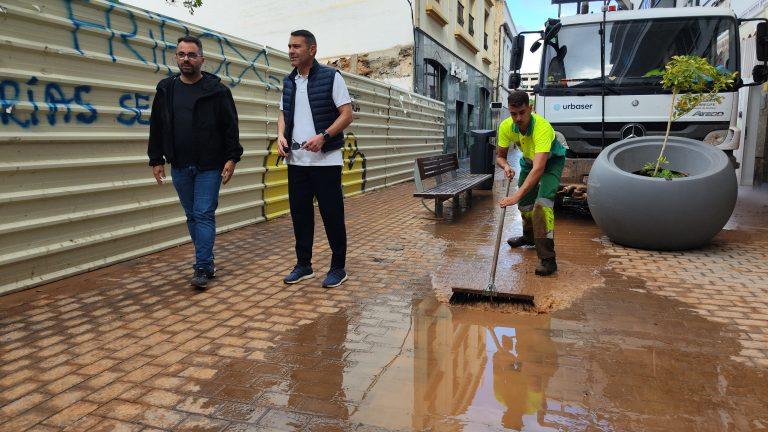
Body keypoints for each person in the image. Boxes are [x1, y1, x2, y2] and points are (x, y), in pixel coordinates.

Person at [147, 35, 242, 289]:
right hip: (179, 165)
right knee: (192, 215)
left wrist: (232, 157)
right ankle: (207, 261)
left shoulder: (218, 91)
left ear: (201, 58)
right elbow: (156, 126)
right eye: (181, 54)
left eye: (191, 54)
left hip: (209, 165)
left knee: (203, 214)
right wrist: (156, 159)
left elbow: (230, 127)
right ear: (176, 57)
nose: (186, 59)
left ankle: (201, 266)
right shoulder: (166, 89)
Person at [277, 30, 354, 288]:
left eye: (296, 46)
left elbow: (346, 114)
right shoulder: (289, 82)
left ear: (312, 50)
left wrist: (324, 135)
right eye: (289, 46)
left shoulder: (332, 77)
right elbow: (282, 114)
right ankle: (304, 265)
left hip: (326, 161)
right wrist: (280, 136)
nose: (291, 51)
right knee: (300, 216)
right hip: (296, 161)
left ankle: (338, 268)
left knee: (332, 215)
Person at [497, 91, 566, 276]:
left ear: (530, 108)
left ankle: (548, 260)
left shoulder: (541, 127)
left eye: (522, 112)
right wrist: (506, 166)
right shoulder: (505, 127)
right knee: (525, 204)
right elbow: (500, 156)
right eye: (513, 113)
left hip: (551, 161)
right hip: (528, 161)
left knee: (541, 206)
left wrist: (514, 196)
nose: (518, 118)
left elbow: (539, 168)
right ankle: (529, 238)